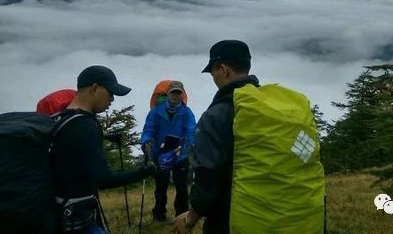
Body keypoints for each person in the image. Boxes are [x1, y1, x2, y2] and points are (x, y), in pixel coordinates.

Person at [50, 65, 155, 234]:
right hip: (76, 219)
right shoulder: (86, 125)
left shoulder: (60, 118)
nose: (112, 99)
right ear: (94, 88)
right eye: (110, 92)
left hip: (56, 211)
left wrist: (106, 136)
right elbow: (104, 180)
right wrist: (145, 172)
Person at [173, 40, 259, 234]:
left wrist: (190, 218)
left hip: (231, 218)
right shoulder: (268, 105)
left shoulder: (217, 115)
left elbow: (207, 175)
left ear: (223, 69)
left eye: (212, 72)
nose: (213, 78)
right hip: (271, 210)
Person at [141, 80, 196, 222]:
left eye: (179, 93)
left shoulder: (187, 112)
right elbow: (148, 130)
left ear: (182, 95)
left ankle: (181, 216)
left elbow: (191, 132)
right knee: (161, 186)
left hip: (180, 154)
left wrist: (187, 146)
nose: (176, 96)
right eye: (173, 92)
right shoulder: (156, 112)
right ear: (168, 93)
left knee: (182, 187)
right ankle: (159, 215)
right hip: (160, 154)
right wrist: (145, 142)